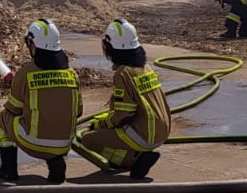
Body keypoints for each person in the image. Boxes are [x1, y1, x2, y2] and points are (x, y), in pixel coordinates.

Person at [73, 19, 172, 181]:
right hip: (162, 131)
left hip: (145, 135)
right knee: (108, 128)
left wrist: (99, 125)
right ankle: (137, 155)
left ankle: (132, 161)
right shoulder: (145, 67)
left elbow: (123, 115)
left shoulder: (123, 73)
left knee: (88, 139)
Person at [0, 18, 81, 184]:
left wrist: (18, 86)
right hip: (64, 144)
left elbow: (13, 109)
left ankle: (8, 168)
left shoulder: (26, 73)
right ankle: (55, 162)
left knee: (1, 116)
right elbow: (79, 111)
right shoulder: (71, 73)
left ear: (33, 45)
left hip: (34, 144)